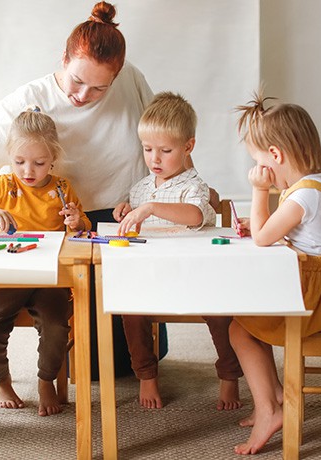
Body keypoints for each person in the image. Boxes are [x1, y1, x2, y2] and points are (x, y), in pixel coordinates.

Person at [0, 1, 161, 379]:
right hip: (63, 224)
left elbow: (159, 135)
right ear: (63, 57)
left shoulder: (132, 81)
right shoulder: (28, 99)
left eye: (99, 88)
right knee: (89, 363)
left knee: (128, 346)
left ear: (118, 76)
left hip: (119, 214)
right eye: (77, 81)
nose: (82, 95)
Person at [228, 92, 321, 454]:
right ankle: (277, 396)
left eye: (260, 163)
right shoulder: (316, 184)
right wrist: (261, 219)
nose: (261, 170)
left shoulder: (301, 197)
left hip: (315, 301)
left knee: (239, 329)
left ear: (275, 156)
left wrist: (258, 191)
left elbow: (263, 238)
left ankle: (269, 409)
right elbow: (286, 227)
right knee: (246, 323)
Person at [0, 108, 91, 416]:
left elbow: (83, 229)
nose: (28, 170)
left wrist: (76, 221)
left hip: (49, 278)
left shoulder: (61, 188)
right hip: (8, 275)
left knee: (56, 327)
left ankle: (46, 381)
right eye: (19, 162)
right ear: (9, 157)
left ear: (52, 160)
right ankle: (1, 380)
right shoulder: (3, 186)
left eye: (39, 163)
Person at [112, 92, 243, 410]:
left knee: (222, 313)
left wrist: (151, 208)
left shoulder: (194, 186)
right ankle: (146, 375)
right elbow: (142, 222)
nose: (154, 158)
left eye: (165, 150)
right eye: (147, 149)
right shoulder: (142, 187)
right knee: (129, 309)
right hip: (155, 278)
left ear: (188, 147)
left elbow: (196, 215)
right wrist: (128, 208)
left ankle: (228, 376)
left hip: (196, 278)